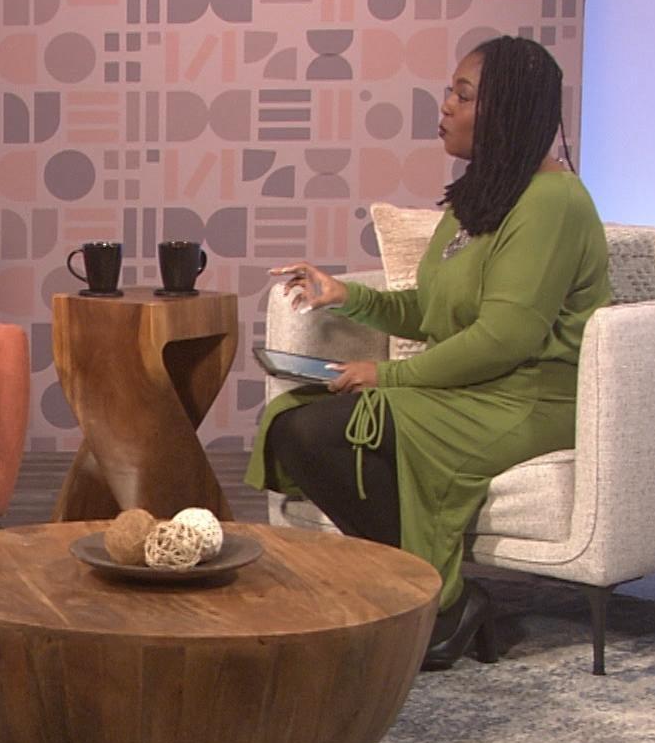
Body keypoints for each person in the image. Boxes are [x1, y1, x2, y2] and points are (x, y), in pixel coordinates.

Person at [245, 34, 610, 670]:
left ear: (507, 112)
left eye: (462, 96)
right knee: (295, 423)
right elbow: (436, 310)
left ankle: (436, 601)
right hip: (477, 387)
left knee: (321, 428)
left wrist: (388, 376)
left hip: (529, 397)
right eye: (450, 90)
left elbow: (507, 338)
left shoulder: (555, 203)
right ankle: (435, 596)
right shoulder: (483, 197)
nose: (443, 106)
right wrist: (347, 296)